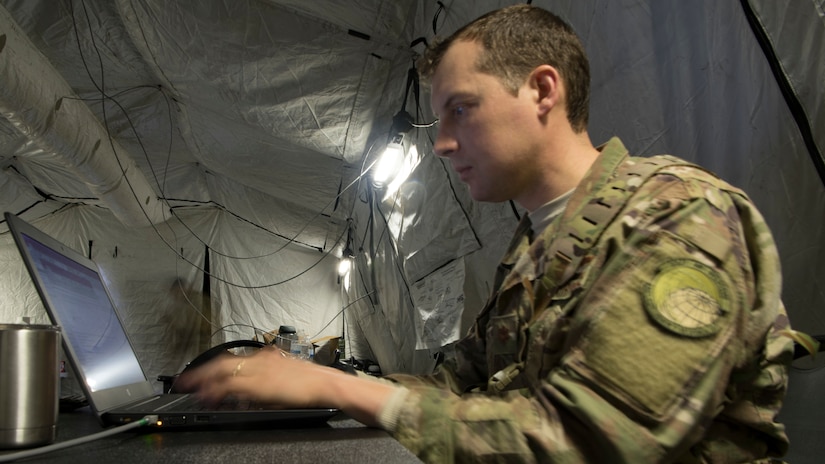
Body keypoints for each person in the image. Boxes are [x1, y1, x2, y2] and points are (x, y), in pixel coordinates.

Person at [177, 5, 798, 462]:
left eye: (461, 109)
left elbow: (591, 441)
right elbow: (458, 383)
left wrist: (340, 387)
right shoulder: (537, 249)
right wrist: (310, 391)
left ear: (542, 90)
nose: (443, 142)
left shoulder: (678, 218)